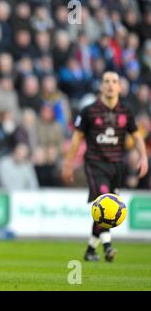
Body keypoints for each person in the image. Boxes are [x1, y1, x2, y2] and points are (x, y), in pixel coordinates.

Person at [62, 71, 148, 262]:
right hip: (95, 163)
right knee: (104, 201)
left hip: (117, 165)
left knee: (105, 210)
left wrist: (144, 158)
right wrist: (68, 163)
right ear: (101, 86)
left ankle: (91, 249)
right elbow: (76, 139)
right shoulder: (89, 111)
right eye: (107, 81)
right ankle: (108, 246)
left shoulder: (126, 112)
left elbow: (137, 137)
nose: (110, 85)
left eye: (114, 81)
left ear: (119, 87)